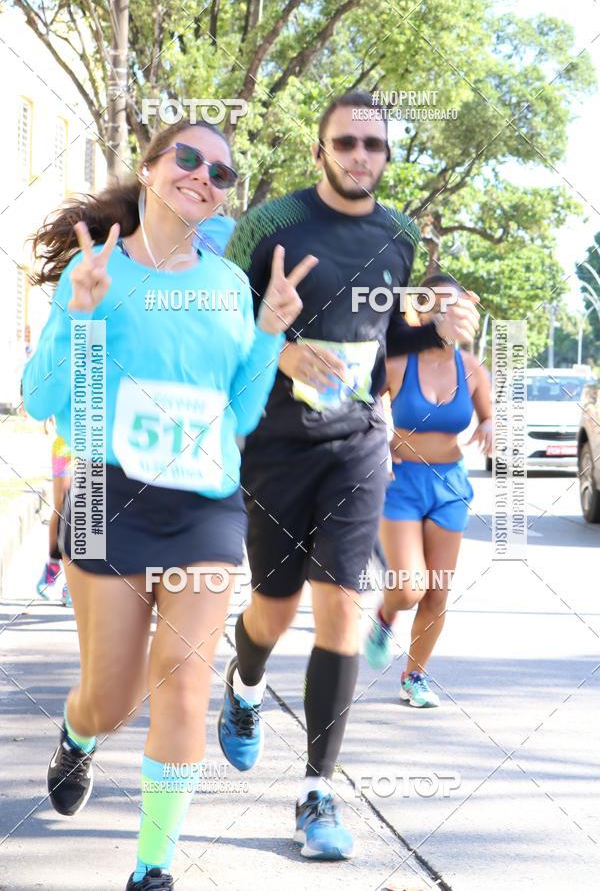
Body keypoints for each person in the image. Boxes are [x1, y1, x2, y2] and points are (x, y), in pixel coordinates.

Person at [21, 119, 311, 890]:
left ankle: (155, 868)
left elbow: (240, 414)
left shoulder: (228, 288)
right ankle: (80, 736)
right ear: (150, 171)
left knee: (183, 681)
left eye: (221, 172)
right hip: (109, 494)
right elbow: (44, 397)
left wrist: (269, 337)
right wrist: (79, 311)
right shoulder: (97, 271)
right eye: (188, 159)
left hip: (206, 504)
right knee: (111, 698)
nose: (204, 176)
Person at [217, 91, 479, 860]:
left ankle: (316, 792)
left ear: (387, 155)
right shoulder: (269, 224)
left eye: (374, 144)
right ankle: (244, 681)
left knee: (342, 609)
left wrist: (433, 326)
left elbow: (384, 326)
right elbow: (221, 310)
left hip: (361, 439)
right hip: (276, 440)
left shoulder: (398, 232)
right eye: (346, 143)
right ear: (320, 151)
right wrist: (284, 346)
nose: (361, 155)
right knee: (272, 604)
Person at [364, 273, 492, 707]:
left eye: (451, 305)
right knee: (407, 587)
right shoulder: (397, 362)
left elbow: (488, 414)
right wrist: (377, 443)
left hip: (450, 485)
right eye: (432, 304)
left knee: (436, 591)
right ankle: (385, 614)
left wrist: (490, 425)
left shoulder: (472, 368)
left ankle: (414, 677)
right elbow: (359, 405)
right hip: (401, 484)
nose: (443, 312)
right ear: (417, 311)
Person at [36, 424, 73, 606]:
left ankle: (73, 584)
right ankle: (52, 568)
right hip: (65, 448)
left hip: (97, 449)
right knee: (62, 509)